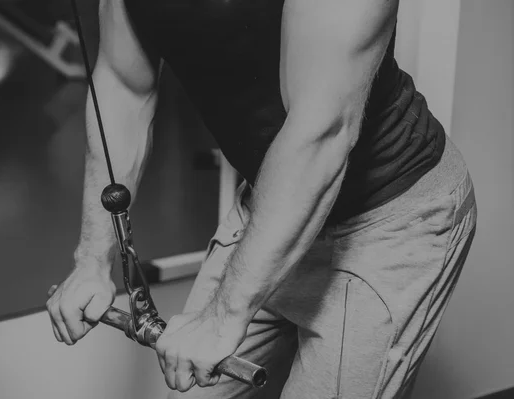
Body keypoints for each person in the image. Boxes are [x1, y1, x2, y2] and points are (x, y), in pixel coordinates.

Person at [46, 0, 478, 397]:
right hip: (271, 202)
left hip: (389, 218)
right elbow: (124, 86)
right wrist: (92, 259)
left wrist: (220, 319)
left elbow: (320, 132)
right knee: (192, 382)